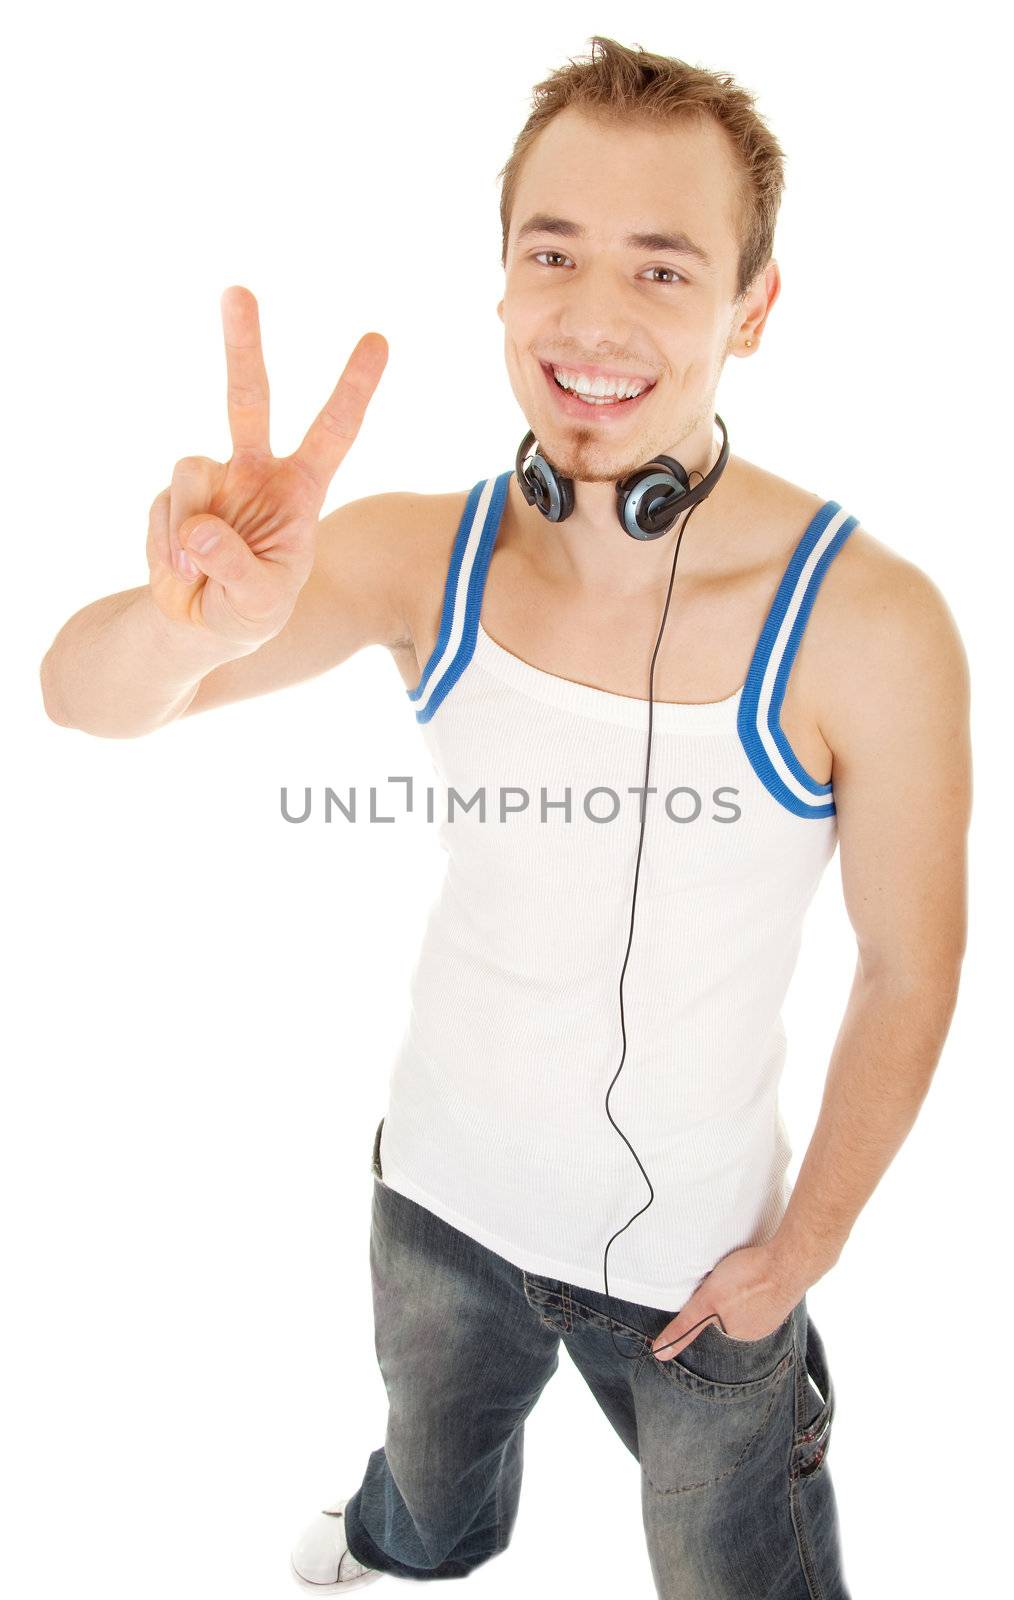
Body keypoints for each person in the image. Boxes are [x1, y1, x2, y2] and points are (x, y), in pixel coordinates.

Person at [39, 35, 971, 1600]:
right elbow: (84, 699)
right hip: (437, 1202)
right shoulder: (424, 553)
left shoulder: (867, 624)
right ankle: (397, 1547)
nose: (592, 319)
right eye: (554, 252)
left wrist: (797, 1255)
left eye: (663, 270)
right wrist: (191, 622)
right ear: (501, 281)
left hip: (698, 1281)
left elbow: (906, 966)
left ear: (754, 306)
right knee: (427, 1499)